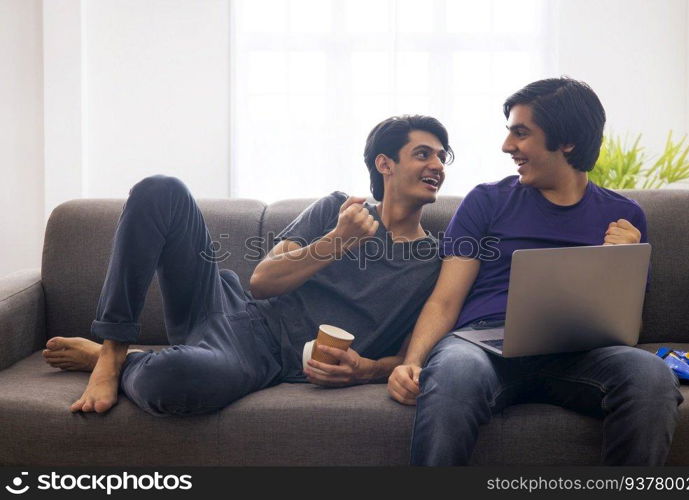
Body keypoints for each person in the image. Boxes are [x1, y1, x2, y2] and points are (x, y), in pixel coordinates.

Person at [43, 115, 453, 416]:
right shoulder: (336, 209)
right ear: (385, 164)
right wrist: (337, 241)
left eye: (441, 157)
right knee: (160, 190)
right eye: (423, 154)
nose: (437, 165)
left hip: (255, 356)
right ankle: (113, 350)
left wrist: (366, 370)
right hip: (224, 304)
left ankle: (124, 360)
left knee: (170, 383)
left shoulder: (436, 264)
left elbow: (409, 355)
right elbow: (262, 282)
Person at [388, 78, 683, 466]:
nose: (507, 146)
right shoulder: (486, 201)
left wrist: (621, 265)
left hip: (582, 353)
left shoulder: (625, 217)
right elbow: (445, 300)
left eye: (521, 133)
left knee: (652, 376)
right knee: (455, 374)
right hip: (481, 346)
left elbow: (630, 330)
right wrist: (412, 362)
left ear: (567, 142)